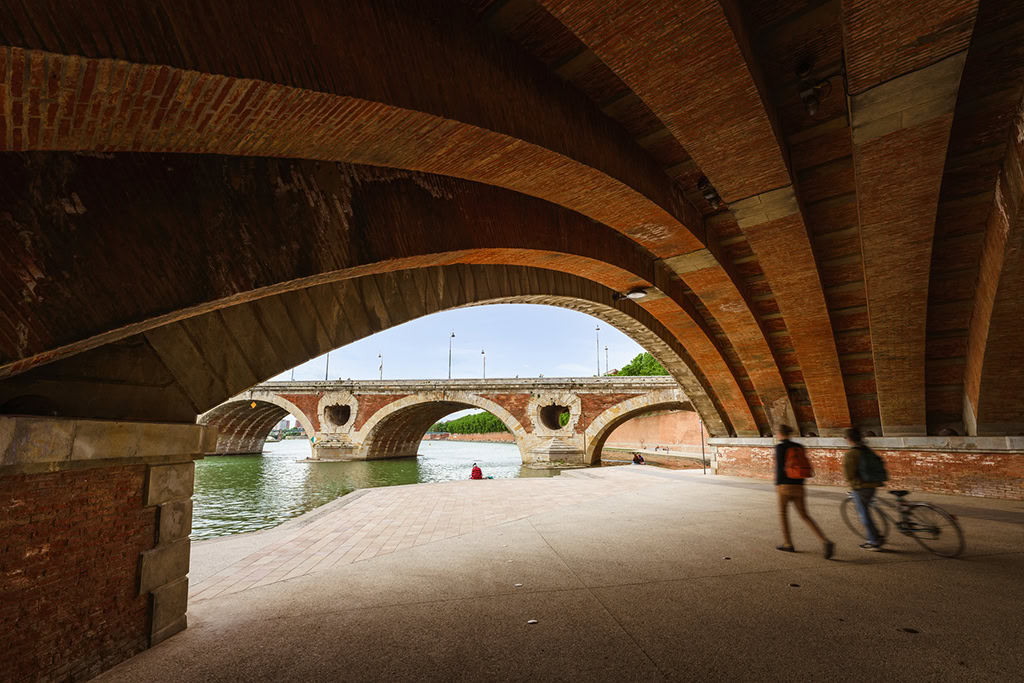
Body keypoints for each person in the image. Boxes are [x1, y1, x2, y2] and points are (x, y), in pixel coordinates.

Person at [774, 424, 834, 559]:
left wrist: (778, 485)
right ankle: (824, 540)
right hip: (799, 485)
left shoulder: (780, 447)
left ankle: (788, 543)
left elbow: (779, 468)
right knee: (804, 515)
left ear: (779, 434)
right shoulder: (799, 447)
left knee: (783, 514)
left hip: (784, 486)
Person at [843, 427, 886, 550]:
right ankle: (876, 535)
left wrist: (853, 487)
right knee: (866, 510)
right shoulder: (866, 450)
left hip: (861, 487)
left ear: (849, 439)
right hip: (873, 485)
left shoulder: (851, 453)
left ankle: (873, 541)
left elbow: (849, 475)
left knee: (863, 515)